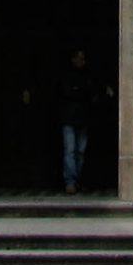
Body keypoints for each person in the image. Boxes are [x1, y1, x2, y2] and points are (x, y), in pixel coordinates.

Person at [57, 48, 110, 195]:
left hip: (83, 119)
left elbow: (91, 92)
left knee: (80, 151)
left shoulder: (87, 76)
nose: (82, 61)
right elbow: (70, 92)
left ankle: (78, 181)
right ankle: (70, 181)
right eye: (80, 58)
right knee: (70, 151)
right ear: (73, 59)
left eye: (83, 58)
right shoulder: (67, 75)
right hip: (69, 118)